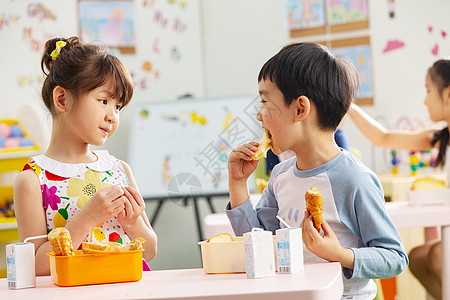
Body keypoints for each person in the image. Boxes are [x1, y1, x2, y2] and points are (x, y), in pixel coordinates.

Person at [225, 42, 408, 299]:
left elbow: (394, 257)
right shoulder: (280, 176)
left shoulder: (354, 178)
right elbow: (258, 244)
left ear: (300, 109)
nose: (258, 115)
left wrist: (339, 255)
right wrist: (238, 184)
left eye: (265, 101)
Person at [13, 37, 157, 276]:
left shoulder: (119, 169)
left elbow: (150, 251)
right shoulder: (33, 180)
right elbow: (35, 266)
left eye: (118, 106)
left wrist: (133, 223)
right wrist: (87, 218)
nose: (113, 116)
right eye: (104, 101)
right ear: (62, 99)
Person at [347, 58, 450, 300]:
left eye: (428, 90)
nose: (424, 100)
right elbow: (383, 138)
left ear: (447, 94)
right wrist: (348, 105)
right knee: (417, 257)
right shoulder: (440, 137)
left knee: (436, 254)